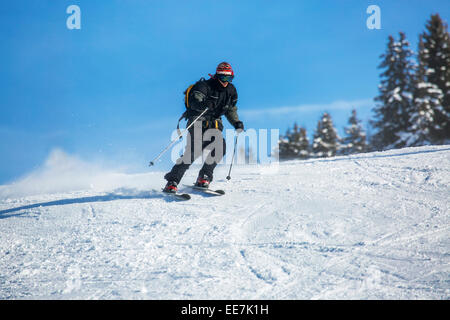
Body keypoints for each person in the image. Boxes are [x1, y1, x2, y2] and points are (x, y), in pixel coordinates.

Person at [163, 62, 244, 193]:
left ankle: (204, 177)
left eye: (229, 78)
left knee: (220, 147)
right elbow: (195, 101)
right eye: (223, 78)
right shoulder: (204, 86)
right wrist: (205, 104)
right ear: (217, 76)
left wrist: (236, 122)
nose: (226, 81)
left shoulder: (231, 91)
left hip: (215, 124)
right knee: (194, 151)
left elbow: (231, 110)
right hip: (198, 121)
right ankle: (172, 181)